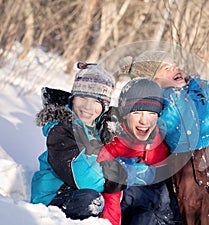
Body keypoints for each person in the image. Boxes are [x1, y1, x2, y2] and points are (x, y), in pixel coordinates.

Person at [119, 12, 209, 225]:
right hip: (182, 164)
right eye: (166, 69)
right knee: (195, 214)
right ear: (154, 80)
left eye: (175, 66)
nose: (176, 70)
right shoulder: (157, 102)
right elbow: (143, 127)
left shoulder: (203, 89)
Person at [31, 62, 153, 221]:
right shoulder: (61, 130)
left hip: (81, 194)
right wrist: (124, 176)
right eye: (82, 97)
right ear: (73, 98)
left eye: (96, 102)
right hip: (52, 199)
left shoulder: (100, 129)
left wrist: (137, 168)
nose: (88, 107)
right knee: (92, 200)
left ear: (105, 106)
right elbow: (84, 178)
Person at [96, 78, 180, 225]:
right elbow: (111, 198)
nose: (144, 121)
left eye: (151, 113)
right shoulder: (113, 143)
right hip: (130, 213)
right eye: (137, 112)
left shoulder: (164, 140)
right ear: (125, 113)